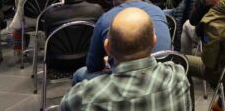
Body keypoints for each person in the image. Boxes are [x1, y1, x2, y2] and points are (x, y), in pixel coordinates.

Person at [61, 7, 191, 111]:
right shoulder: (178, 76)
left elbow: (92, 66)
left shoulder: (80, 98)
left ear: (107, 48)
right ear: (154, 42)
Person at [73, 0, 171, 83]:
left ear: (114, 1)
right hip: (160, 74)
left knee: (79, 74)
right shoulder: (158, 10)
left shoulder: (104, 19)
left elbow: (93, 66)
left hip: (122, 79)